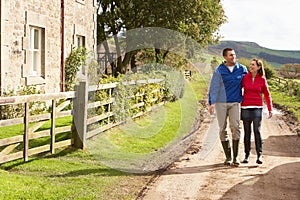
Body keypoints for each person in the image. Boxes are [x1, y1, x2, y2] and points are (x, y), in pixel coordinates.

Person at [208, 48, 248, 166]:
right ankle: (228, 157)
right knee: (222, 129)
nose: (233, 57)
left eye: (234, 55)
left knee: (235, 127)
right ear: (225, 57)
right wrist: (211, 103)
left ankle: (236, 157)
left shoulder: (242, 69)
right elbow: (214, 87)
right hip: (221, 103)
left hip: (235, 102)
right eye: (231, 55)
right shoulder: (219, 70)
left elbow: (249, 83)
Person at [241, 58, 273, 164]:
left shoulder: (262, 79)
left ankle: (259, 155)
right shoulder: (245, 77)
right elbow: (237, 89)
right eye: (250, 64)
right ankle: (247, 155)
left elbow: (267, 95)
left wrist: (270, 109)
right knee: (247, 133)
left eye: (253, 65)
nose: (250, 66)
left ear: (258, 67)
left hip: (257, 108)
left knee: (257, 131)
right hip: (245, 107)